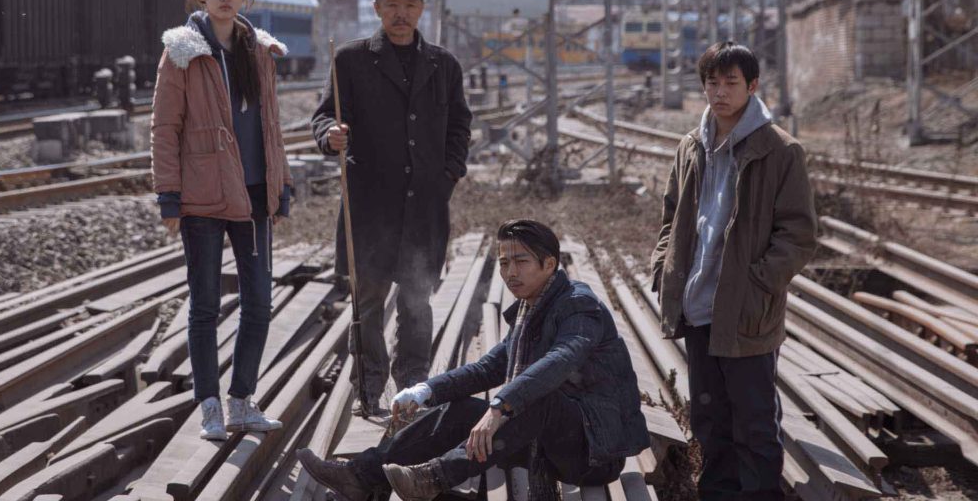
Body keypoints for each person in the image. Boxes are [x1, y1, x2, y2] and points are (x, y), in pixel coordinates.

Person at [296, 219, 650, 501]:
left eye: (521, 261)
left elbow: (561, 359)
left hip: (593, 452)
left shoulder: (579, 305)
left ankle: (432, 478)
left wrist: (500, 407)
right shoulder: (531, 309)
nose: (510, 272)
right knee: (460, 411)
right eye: (504, 262)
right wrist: (424, 391)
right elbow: (488, 368)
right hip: (541, 441)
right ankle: (361, 476)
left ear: (549, 264)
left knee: (538, 401)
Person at [650, 41, 818, 500]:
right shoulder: (691, 146)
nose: (720, 92)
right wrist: (663, 265)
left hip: (746, 312)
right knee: (710, 420)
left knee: (754, 421)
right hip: (697, 308)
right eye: (712, 82)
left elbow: (798, 234)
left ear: (752, 86)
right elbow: (671, 216)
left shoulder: (780, 150)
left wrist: (758, 282)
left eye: (731, 82)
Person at [309, 0, 473, 414]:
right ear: (377, 8)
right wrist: (330, 136)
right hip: (370, 205)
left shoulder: (443, 65)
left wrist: (449, 173)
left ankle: (413, 388)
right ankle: (368, 389)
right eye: (392, 6)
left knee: (417, 301)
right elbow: (323, 116)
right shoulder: (351, 60)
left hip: (424, 205)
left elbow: (460, 124)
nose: (401, 14)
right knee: (367, 302)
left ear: (422, 10)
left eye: (410, 6)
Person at [151, 0, 293, 441]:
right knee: (206, 305)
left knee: (259, 302)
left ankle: (242, 401)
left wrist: (280, 186)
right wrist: (169, 196)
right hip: (202, 196)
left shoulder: (260, 51)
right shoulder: (182, 51)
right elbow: (164, 128)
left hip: (253, 195)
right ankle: (209, 404)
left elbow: (271, 126)